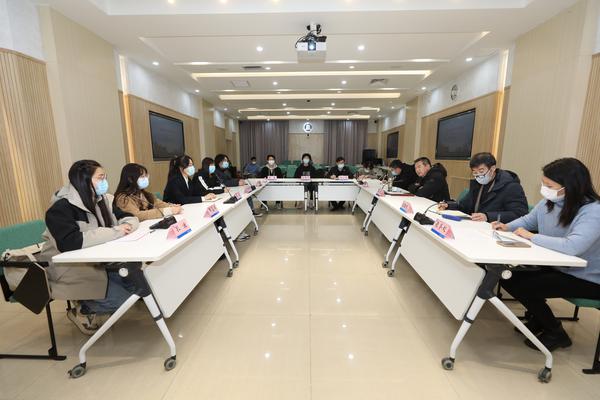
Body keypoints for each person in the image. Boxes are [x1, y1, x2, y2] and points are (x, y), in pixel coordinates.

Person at [493, 158, 600, 351]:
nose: (545, 189)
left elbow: (573, 246)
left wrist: (532, 237)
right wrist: (506, 227)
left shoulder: (593, 211)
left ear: (570, 186)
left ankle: (556, 332)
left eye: (549, 186)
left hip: (588, 278)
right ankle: (540, 319)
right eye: (544, 184)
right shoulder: (550, 202)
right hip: (561, 267)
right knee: (508, 276)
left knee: (527, 286)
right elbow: (528, 220)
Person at [42, 160, 140, 335]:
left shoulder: (103, 200)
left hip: (97, 262)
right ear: (83, 180)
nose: (105, 182)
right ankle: (83, 310)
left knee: (137, 286)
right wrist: (115, 231)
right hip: (68, 268)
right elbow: (69, 242)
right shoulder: (61, 208)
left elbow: (128, 217)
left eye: (105, 177)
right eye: (100, 178)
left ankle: (92, 300)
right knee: (123, 300)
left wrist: (127, 226)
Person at [438, 152, 529, 223]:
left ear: (492, 169)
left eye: (481, 171)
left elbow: (520, 214)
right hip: (478, 227)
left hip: (498, 230)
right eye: (475, 172)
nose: (478, 176)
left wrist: (488, 216)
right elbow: (465, 205)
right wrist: (449, 205)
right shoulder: (478, 184)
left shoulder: (511, 186)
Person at [114, 163, 182, 221]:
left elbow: (158, 203)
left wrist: (170, 206)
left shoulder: (143, 193)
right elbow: (137, 215)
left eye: (145, 176)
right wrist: (166, 211)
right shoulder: (123, 198)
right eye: (142, 176)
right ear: (130, 179)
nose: (145, 179)